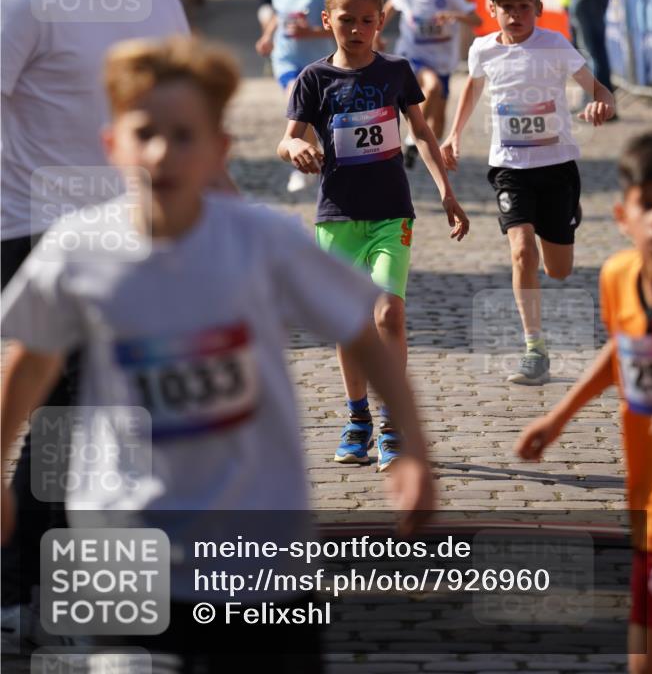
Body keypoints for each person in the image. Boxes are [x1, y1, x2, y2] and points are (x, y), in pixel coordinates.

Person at [0, 35, 435, 671]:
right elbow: (32, 359)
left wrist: (415, 451)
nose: (161, 152)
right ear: (111, 145)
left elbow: (359, 329)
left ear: (219, 151)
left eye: (184, 135)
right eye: (144, 132)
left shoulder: (263, 242)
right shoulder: (75, 251)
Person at [0, 0, 189, 649]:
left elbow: (188, 125)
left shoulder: (162, 1)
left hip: (142, 243)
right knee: (63, 425)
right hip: (37, 236)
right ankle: (26, 598)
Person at [278, 0, 469, 470]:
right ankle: (357, 417)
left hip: (390, 213)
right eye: (346, 20)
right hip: (336, 216)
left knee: (388, 314)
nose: (357, 29)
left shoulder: (396, 71)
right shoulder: (314, 80)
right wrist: (297, 144)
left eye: (367, 20)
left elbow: (423, 134)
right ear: (327, 21)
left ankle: (391, 425)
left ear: (382, 20)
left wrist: (446, 192)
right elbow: (286, 139)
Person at [515, 131, 652, 674]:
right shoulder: (617, 278)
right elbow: (621, 350)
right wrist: (558, 418)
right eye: (649, 204)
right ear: (622, 215)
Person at [441, 0, 616, 385]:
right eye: (507, 7)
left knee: (558, 269)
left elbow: (600, 91)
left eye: (524, 6)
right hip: (510, 168)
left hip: (557, 169)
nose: (516, 15)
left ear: (538, 7)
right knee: (521, 252)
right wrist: (454, 133)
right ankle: (534, 347)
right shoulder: (483, 49)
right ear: (492, 9)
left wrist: (599, 104)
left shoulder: (555, 45)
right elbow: (472, 86)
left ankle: (559, 230)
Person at [379, 0, 480, 166]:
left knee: (438, 121)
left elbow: (477, 20)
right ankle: (410, 140)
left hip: (443, 60)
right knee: (431, 87)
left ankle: (425, 147)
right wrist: (375, 37)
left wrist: (454, 15)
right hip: (412, 56)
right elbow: (382, 16)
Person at [255, 0, 333, 193]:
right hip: (286, 60)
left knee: (310, 116)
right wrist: (267, 36)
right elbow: (278, 16)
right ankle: (303, 162)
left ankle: (311, 159)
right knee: (295, 100)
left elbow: (335, 27)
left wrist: (310, 32)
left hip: (315, 64)